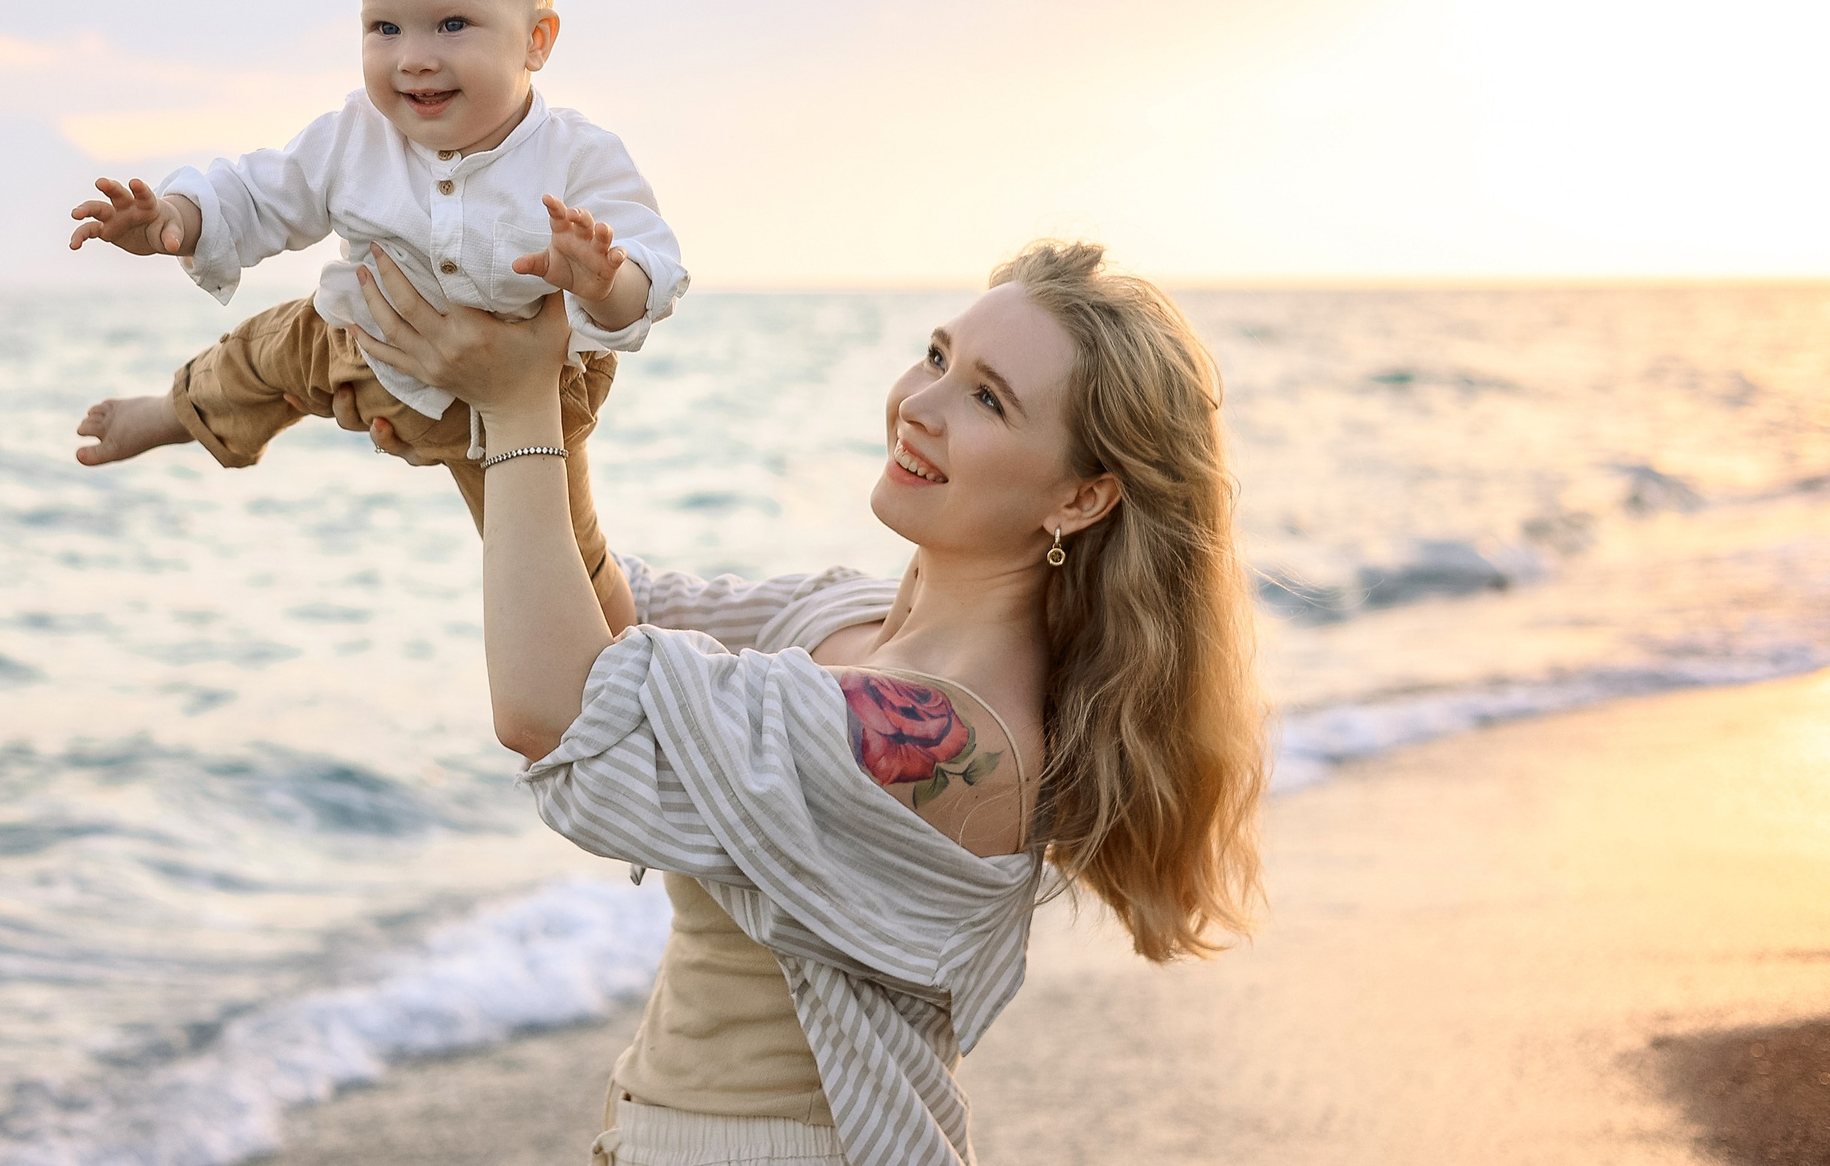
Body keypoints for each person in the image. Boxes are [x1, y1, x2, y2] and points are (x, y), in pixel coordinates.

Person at [332, 238, 1268, 1166]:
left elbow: (558, 707)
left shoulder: (953, 744)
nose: (919, 405)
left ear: (1081, 495)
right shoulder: (846, 618)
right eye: (938, 356)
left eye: (987, 397)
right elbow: (613, 619)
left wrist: (518, 405)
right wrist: (489, 426)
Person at [64, 0, 689, 633]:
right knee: (262, 349)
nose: (412, 55)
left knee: (562, 554)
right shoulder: (353, 137)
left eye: (451, 24)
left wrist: (605, 277)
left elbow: (657, 268)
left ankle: (628, 674)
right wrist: (176, 218)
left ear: (536, 39)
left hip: (514, 401)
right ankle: (174, 413)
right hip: (359, 342)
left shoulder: (575, 157)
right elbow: (260, 190)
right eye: (383, 27)